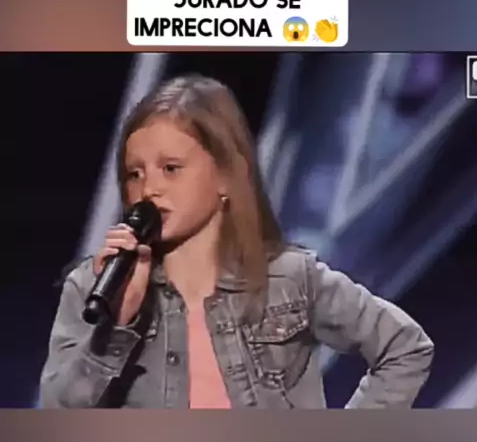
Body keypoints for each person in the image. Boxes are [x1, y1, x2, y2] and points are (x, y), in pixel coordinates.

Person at [39, 74, 434, 409]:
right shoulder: (94, 287)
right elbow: (58, 410)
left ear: (226, 175)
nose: (149, 188)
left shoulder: (290, 279)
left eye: (170, 169)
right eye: (135, 174)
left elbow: (406, 347)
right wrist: (117, 325)